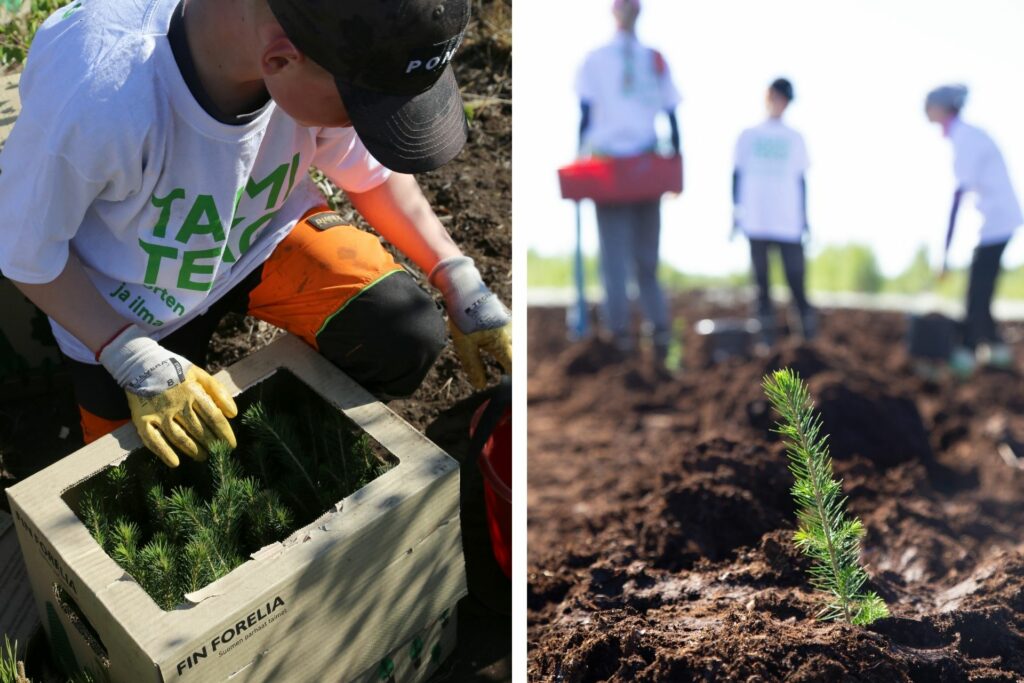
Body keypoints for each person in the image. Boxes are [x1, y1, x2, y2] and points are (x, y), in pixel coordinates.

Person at [0, 0, 512, 468]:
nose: (360, 126)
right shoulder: (102, 98)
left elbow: (371, 175)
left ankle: (290, 439)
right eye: (359, 111)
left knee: (401, 333)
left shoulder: (319, 42)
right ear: (281, 61)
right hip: (122, 301)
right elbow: (24, 251)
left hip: (259, 238)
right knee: (147, 479)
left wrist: (459, 279)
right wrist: (126, 353)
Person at [575, 0, 681, 365]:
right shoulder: (641, 58)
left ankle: (634, 336)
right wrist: (675, 161)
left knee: (622, 260)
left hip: (620, 166)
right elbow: (671, 113)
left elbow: (585, 116)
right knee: (635, 261)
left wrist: (580, 159)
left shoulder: (647, 59)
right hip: (637, 166)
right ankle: (643, 334)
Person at [926, 84, 1019, 371]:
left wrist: (945, 250)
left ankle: (971, 355)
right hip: (994, 221)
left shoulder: (965, 138)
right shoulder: (964, 135)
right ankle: (995, 350)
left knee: (977, 292)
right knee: (981, 289)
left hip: (997, 220)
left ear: (943, 109)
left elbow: (958, 196)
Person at [732, 77, 815, 343]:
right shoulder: (749, 135)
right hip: (756, 218)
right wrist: (735, 212)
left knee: (796, 279)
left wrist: (805, 217)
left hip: (788, 220)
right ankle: (764, 342)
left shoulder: (795, 138)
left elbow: (801, 180)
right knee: (761, 284)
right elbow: (737, 174)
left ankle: (805, 339)